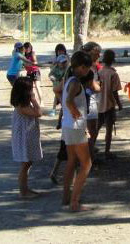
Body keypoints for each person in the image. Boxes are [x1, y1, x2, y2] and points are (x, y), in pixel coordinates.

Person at [61, 51, 95, 212]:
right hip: (75, 127)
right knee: (87, 164)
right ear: (82, 67)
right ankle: (75, 202)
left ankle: (66, 196)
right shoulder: (75, 83)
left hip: (67, 126)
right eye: (88, 68)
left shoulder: (69, 80)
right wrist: (77, 114)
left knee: (71, 162)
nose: (89, 71)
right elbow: (68, 102)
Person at [10, 77, 43, 199]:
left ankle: (25, 188)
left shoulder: (23, 103)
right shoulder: (21, 106)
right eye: (30, 89)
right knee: (25, 164)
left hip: (27, 136)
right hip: (24, 138)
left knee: (28, 163)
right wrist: (34, 100)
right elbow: (38, 113)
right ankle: (23, 192)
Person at [48, 45, 70, 184]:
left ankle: (55, 173)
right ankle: (68, 181)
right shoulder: (65, 81)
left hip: (68, 125)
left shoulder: (67, 73)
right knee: (67, 153)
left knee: (63, 153)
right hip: (70, 127)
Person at [97, 49, 122, 160]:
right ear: (113, 60)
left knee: (95, 129)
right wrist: (119, 104)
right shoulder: (113, 74)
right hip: (109, 105)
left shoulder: (100, 72)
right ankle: (107, 151)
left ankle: (90, 147)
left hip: (98, 104)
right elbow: (114, 92)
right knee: (108, 130)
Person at [80, 42, 102, 159]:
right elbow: (92, 86)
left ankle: (90, 152)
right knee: (92, 130)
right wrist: (100, 85)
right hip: (88, 100)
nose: (99, 56)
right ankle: (88, 156)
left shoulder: (93, 65)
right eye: (97, 54)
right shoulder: (86, 66)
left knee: (93, 129)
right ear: (90, 53)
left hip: (92, 100)